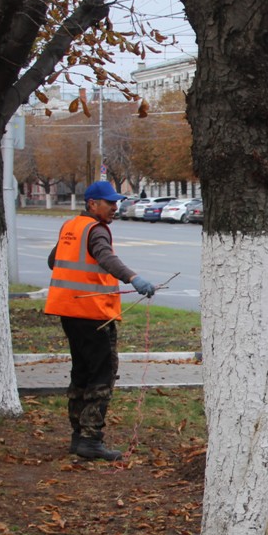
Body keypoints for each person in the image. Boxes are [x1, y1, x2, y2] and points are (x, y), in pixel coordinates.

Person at [44, 181, 158, 461]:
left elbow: (53, 261)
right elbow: (106, 258)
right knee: (101, 375)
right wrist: (133, 278)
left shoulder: (70, 226)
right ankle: (91, 440)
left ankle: (77, 437)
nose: (115, 208)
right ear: (93, 204)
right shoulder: (95, 230)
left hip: (68, 311)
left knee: (81, 374)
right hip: (93, 314)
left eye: (116, 203)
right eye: (110, 203)